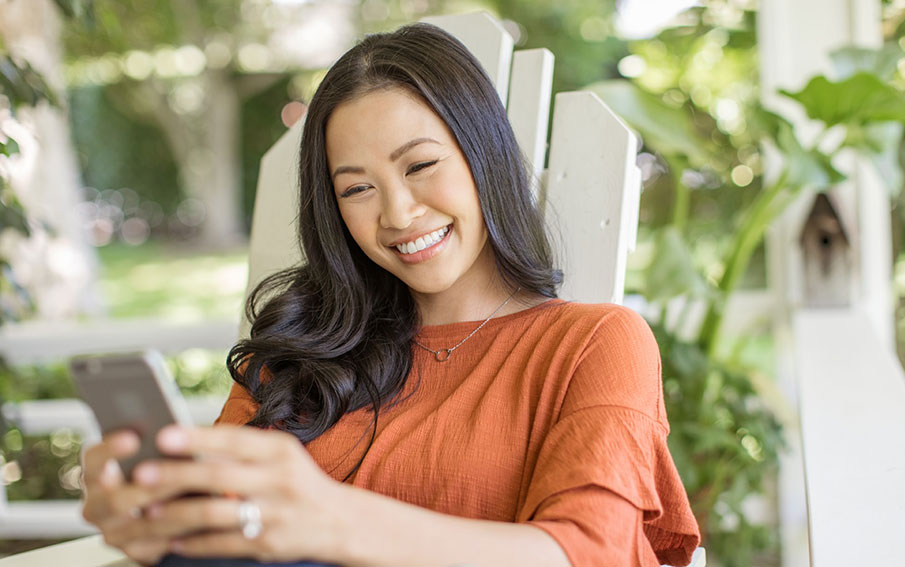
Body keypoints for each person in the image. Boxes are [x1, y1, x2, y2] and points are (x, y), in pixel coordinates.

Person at [80, 22, 701, 567]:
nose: (399, 214)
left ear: (482, 157)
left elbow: (589, 552)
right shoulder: (302, 349)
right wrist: (153, 522)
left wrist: (337, 520)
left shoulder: (593, 344)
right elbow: (227, 529)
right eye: (357, 190)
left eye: (421, 166)